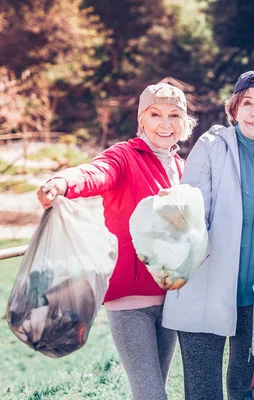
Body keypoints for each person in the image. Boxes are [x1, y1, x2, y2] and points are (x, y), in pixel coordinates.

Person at [36, 82, 197, 400]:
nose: (165, 124)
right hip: (130, 298)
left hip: (173, 299)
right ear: (141, 119)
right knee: (151, 394)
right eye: (155, 114)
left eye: (174, 115)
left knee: (155, 390)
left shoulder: (184, 169)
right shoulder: (124, 156)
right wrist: (62, 181)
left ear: (184, 122)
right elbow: (95, 172)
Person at [161, 71, 254, 400]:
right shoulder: (211, 147)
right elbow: (193, 210)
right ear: (234, 110)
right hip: (204, 290)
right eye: (247, 103)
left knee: (245, 389)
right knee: (203, 392)